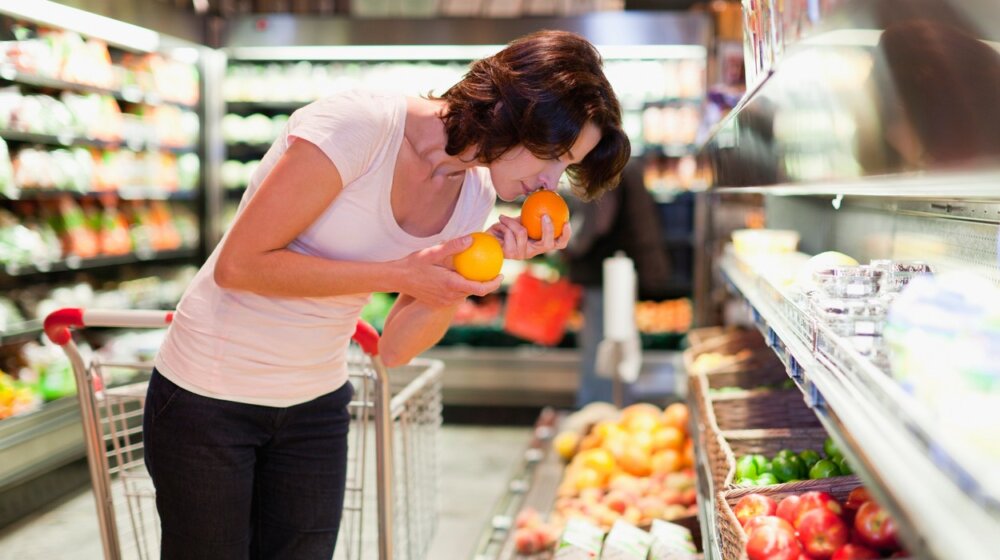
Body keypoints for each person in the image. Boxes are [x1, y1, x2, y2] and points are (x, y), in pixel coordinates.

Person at [143, 30, 630, 559]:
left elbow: (395, 347)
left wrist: (468, 275)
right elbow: (239, 266)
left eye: (567, 166)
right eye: (554, 155)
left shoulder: (474, 193)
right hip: (210, 393)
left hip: (316, 400)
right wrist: (400, 273)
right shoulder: (360, 127)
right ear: (518, 114)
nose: (552, 183)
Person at [563, 157, 671, 407]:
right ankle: (618, 412)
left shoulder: (605, 168)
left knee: (601, 351)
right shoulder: (621, 163)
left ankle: (599, 415)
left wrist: (566, 247)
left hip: (605, 275)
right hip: (619, 271)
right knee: (617, 345)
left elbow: (593, 226)